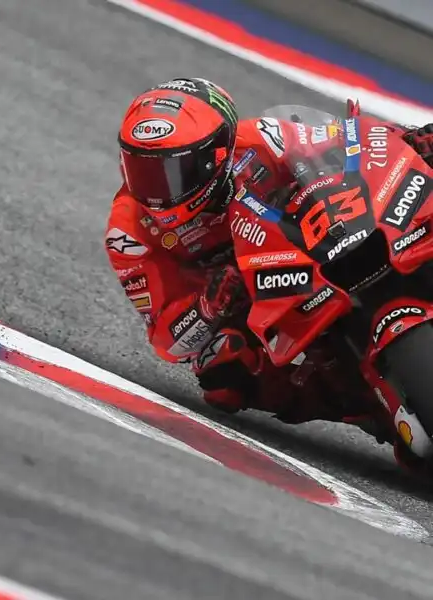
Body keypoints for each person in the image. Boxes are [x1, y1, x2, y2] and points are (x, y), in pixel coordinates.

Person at [105, 77, 433, 440]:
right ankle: (360, 405)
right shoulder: (127, 233)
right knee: (222, 370)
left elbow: (349, 144)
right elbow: (168, 341)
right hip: (255, 303)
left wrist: (406, 140)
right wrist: (209, 304)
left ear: (215, 156)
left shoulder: (264, 138)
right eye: (139, 168)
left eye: (169, 172)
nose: (154, 192)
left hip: (320, 241)